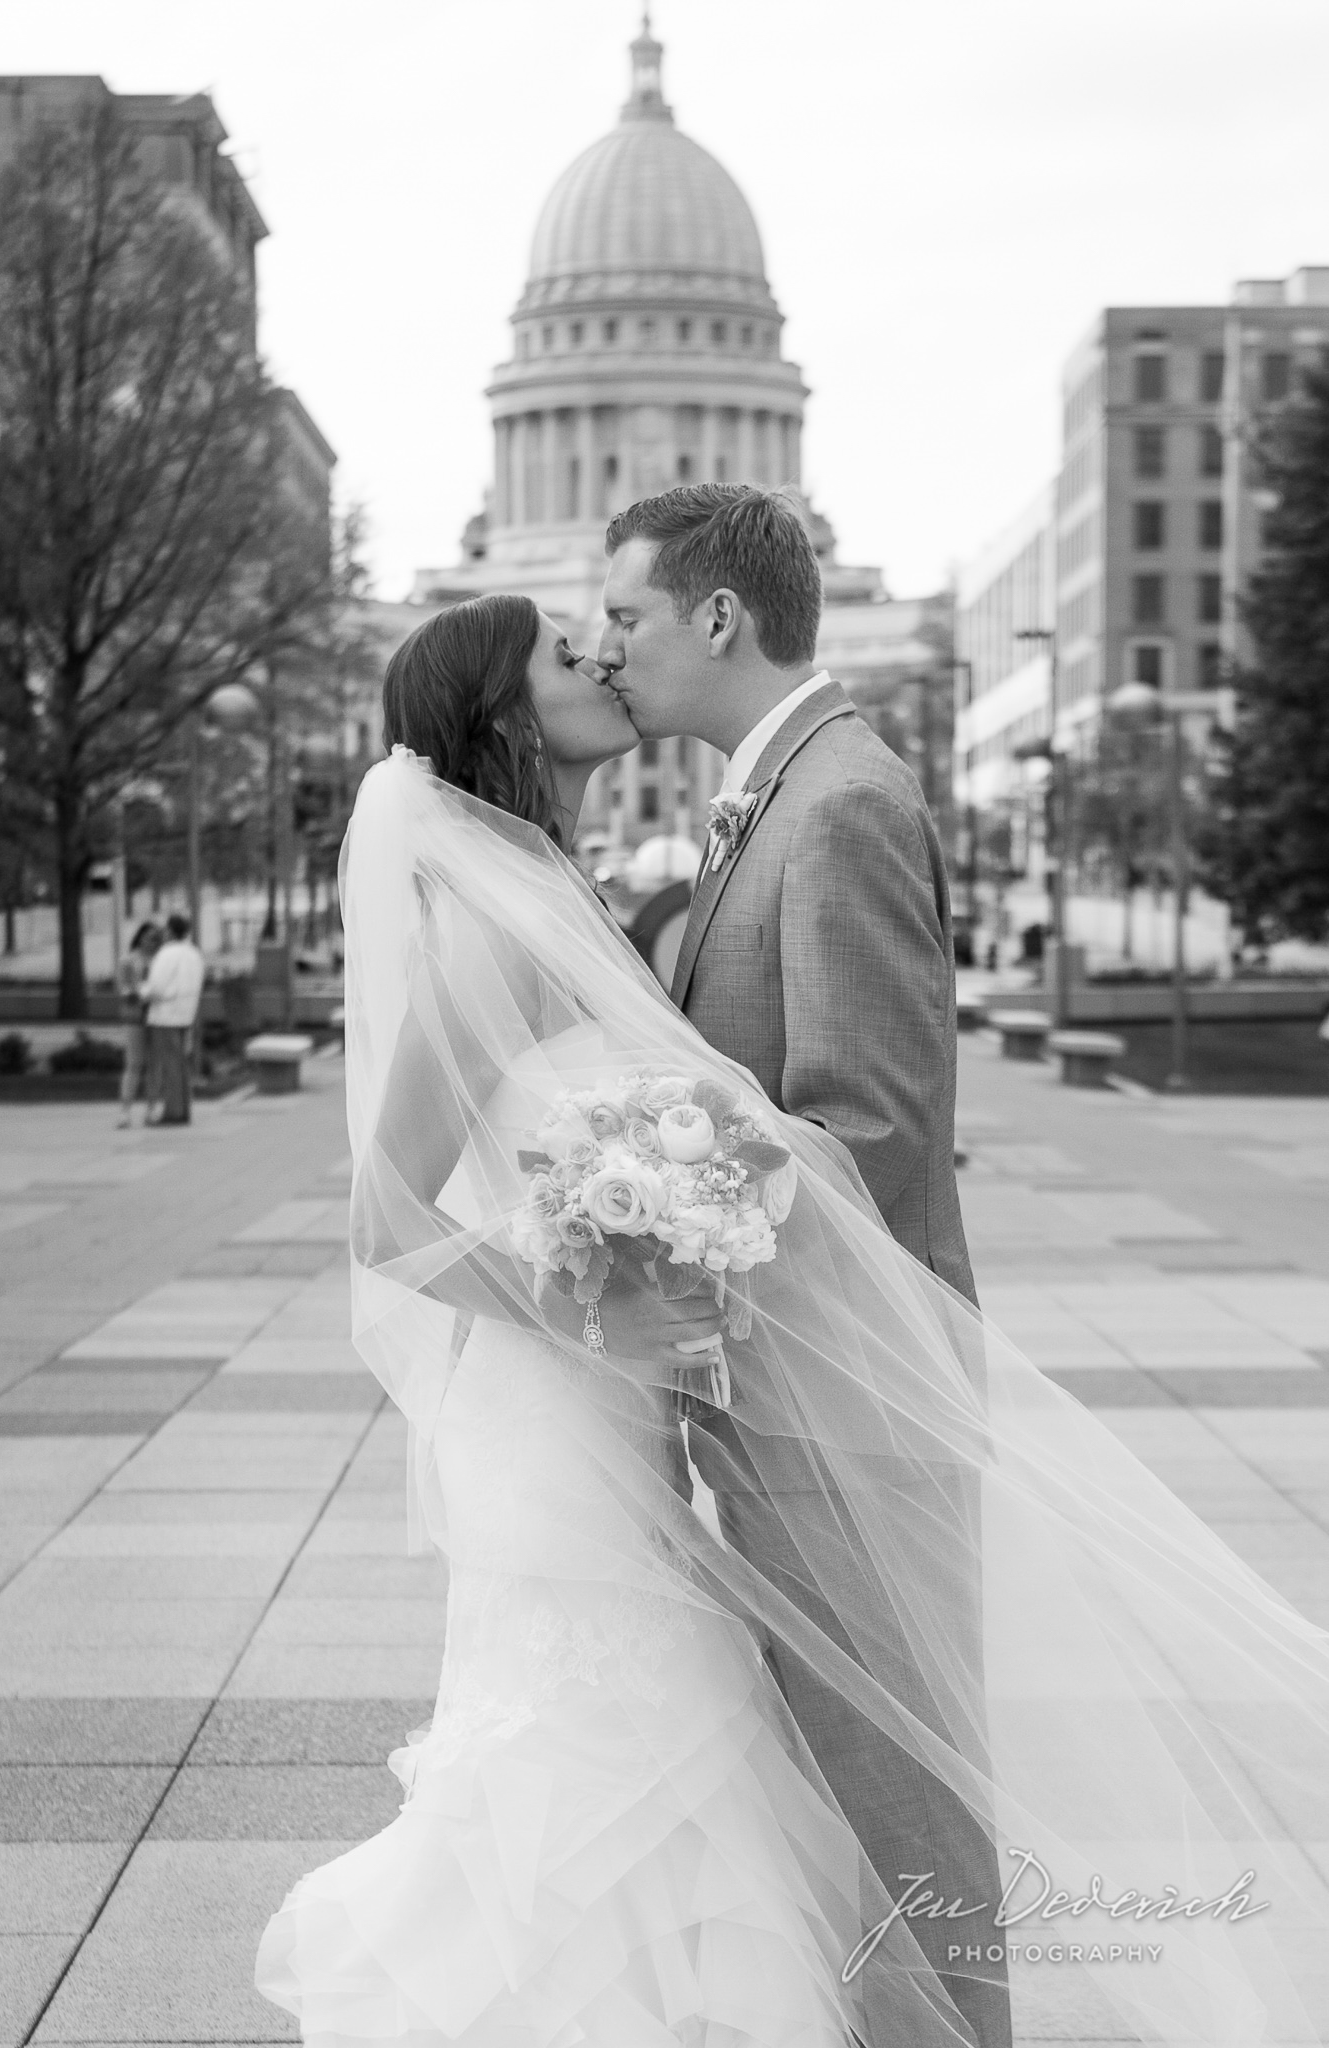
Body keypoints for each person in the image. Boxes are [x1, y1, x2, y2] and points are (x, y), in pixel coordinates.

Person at [255, 592, 1329, 2048]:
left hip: (627, 1399)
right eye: (569, 654)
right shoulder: (488, 932)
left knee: (688, 1739)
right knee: (608, 1742)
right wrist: (594, 1305)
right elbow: (387, 1225)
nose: (601, 658)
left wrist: (674, 1229)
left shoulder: (564, 893)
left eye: (610, 629)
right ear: (512, 719)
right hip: (560, 1405)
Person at [596, 484, 1003, 2042]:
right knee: (838, 1792)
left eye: (626, 617)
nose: (608, 649)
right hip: (790, 1394)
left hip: (853, 1404)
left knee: (897, 1794)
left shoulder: (835, 802)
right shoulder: (782, 793)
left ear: (716, 617)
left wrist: (646, 1208)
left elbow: (872, 1128)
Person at [144, 911, 204, 1126]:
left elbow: (157, 987)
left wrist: (143, 993)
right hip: (186, 1014)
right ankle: (183, 1109)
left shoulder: (166, 954)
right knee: (181, 1065)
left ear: (170, 931)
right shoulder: (194, 954)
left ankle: (173, 1112)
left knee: (169, 1065)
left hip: (165, 1015)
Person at [115, 920, 162, 1128]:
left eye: (157, 938)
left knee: (154, 1065)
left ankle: (151, 1109)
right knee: (134, 1063)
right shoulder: (128, 960)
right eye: (150, 937)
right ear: (140, 937)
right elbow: (122, 989)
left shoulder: (162, 960)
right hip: (134, 1017)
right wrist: (136, 993)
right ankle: (125, 1112)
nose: (153, 942)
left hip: (158, 1016)